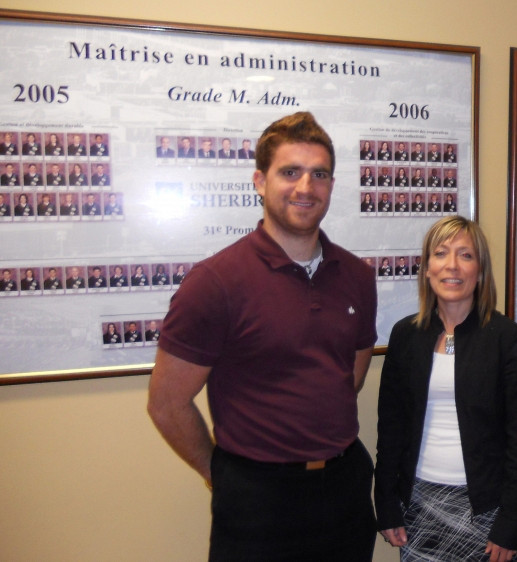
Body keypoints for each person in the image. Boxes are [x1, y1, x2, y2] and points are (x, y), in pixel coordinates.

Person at [148, 112, 379, 560]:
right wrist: (223, 474)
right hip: (257, 502)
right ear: (259, 181)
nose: (305, 187)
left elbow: (349, 376)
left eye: (319, 174)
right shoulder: (214, 282)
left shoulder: (356, 276)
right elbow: (166, 403)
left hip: (345, 491)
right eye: (289, 172)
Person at [375, 216, 517, 561]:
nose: (452, 266)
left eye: (465, 255)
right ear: (427, 268)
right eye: (441, 253)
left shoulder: (507, 339)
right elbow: (390, 429)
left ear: (479, 270)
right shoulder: (405, 336)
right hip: (418, 502)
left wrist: (512, 520)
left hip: (485, 507)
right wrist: (385, 500)